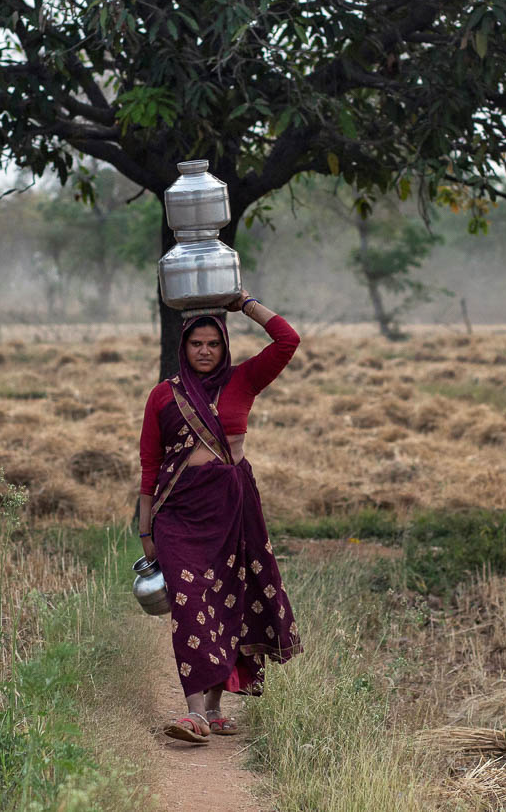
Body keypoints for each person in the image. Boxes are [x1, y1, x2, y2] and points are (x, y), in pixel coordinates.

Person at [137, 288, 302, 743]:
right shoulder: (163, 397)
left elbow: (288, 340)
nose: (205, 351)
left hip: (232, 508)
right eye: (196, 344)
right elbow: (150, 466)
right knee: (190, 603)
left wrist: (244, 303)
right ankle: (194, 713)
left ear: (224, 345)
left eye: (213, 344)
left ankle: (214, 707)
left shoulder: (244, 380)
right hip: (178, 513)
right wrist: (144, 527)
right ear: (183, 347)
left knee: (230, 597)